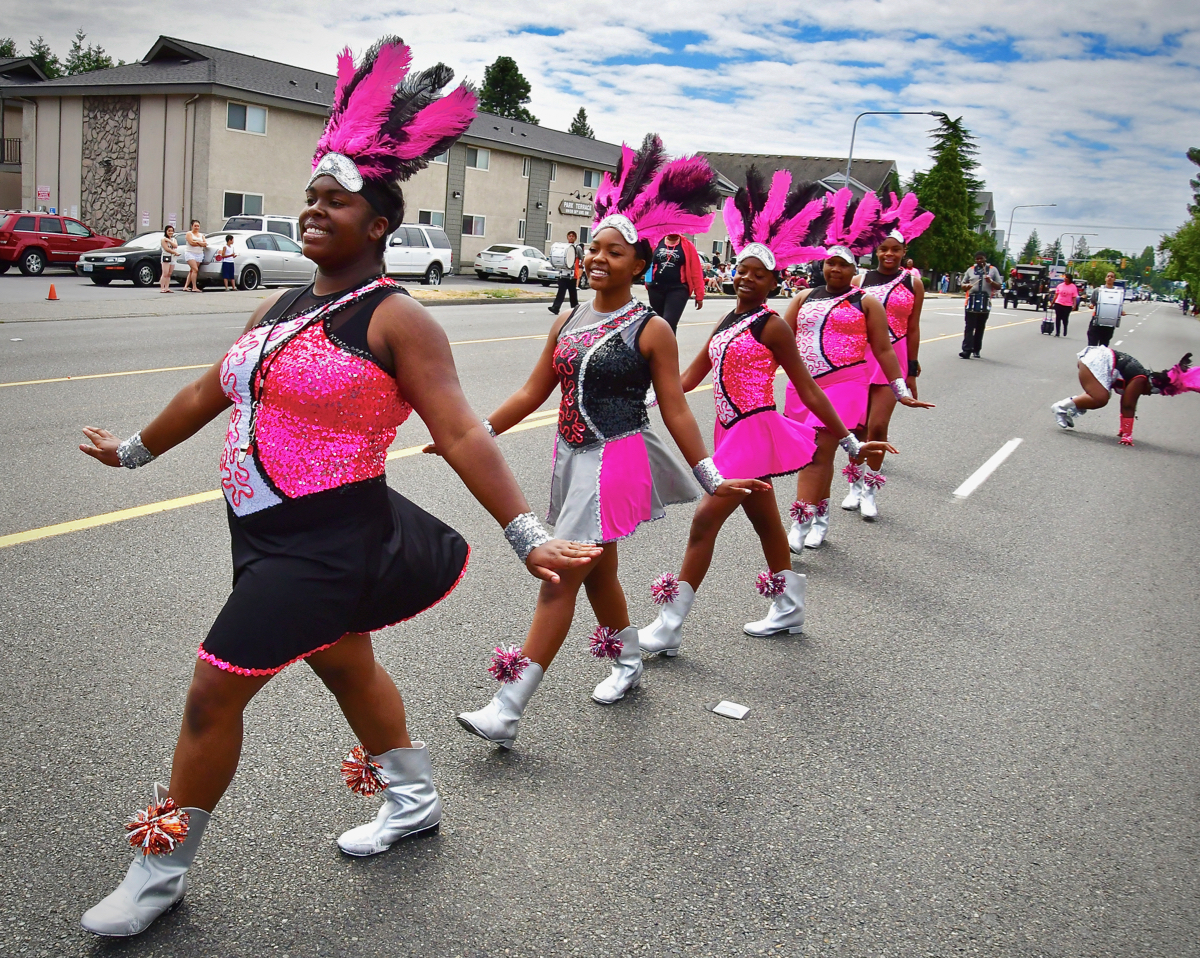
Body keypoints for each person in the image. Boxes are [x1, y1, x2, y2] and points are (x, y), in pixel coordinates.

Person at [75, 40, 594, 939]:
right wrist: (132, 452)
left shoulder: (399, 316)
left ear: (380, 223)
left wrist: (526, 533)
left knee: (213, 691)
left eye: (335, 199)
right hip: (261, 532)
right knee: (344, 661)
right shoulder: (280, 305)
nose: (314, 210)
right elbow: (212, 389)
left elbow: (462, 430)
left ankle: (157, 874)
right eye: (310, 196)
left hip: (330, 535)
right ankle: (415, 798)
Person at [452, 135, 763, 748]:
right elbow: (532, 392)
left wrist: (708, 476)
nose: (597, 258)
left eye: (613, 252)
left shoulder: (651, 328)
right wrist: (473, 434)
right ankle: (626, 662)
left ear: (639, 263)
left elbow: (673, 409)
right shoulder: (568, 321)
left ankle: (508, 707)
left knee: (560, 575)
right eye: (593, 248)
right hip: (569, 459)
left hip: (615, 457)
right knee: (597, 569)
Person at [637, 168, 896, 656]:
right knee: (766, 520)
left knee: (704, 520)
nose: (747, 277)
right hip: (727, 430)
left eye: (759, 273)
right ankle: (789, 606)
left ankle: (670, 625)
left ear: (776, 280)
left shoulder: (773, 326)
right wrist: (649, 397)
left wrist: (848, 441)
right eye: (742, 268)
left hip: (755, 432)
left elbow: (810, 391)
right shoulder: (730, 316)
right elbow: (691, 375)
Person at [849, 191, 936, 523]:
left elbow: (913, 328)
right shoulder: (860, 280)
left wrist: (911, 370)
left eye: (895, 249)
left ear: (904, 252)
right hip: (859, 358)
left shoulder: (913, 283)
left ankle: (871, 488)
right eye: (883, 248)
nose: (888, 254)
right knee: (855, 427)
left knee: (878, 425)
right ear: (877, 250)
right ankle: (855, 483)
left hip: (893, 358)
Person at [1051, 348, 1200, 445]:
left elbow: (1125, 403)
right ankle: (1061, 407)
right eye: (1151, 392)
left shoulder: (1140, 379)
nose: (1148, 394)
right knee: (1100, 398)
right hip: (1096, 360)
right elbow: (1129, 405)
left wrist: (1123, 429)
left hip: (1096, 360)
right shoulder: (1140, 380)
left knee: (1101, 395)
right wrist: (1127, 435)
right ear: (1153, 385)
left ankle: (1069, 409)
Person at [645, 231, 705, 330]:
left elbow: (696, 270)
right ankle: (660, 345)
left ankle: (668, 345)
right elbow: (647, 261)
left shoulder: (687, 245)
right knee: (658, 323)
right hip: (656, 289)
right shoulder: (656, 241)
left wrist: (699, 295)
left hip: (678, 289)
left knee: (669, 323)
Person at [959, 251, 1000, 358]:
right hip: (971, 301)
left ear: (985, 258)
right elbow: (963, 284)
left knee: (980, 327)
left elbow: (999, 286)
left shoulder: (992, 270)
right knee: (969, 327)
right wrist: (966, 286)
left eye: (981, 258)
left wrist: (991, 282)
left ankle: (976, 349)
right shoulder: (970, 270)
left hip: (985, 301)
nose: (979, 261)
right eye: (977, 259)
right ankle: (966, 350)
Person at [548, 229, 582, 314]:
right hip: (563, 274)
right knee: (561, 291)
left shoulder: (577, 248)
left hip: (572, 274)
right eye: (569, 236)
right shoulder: (564, 247)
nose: (571, 237)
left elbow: (581, 258)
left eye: (572, 236)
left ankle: (575, 308)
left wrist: (579, 269)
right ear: (567, 237)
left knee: (572, 293)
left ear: (575, 238)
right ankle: (555, 307)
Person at [1087, 272, 1125, 346]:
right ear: (1105, 278)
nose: (1110, 278)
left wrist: (1121, 312)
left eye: (1112, 277)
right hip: (1097, 321)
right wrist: (1091, 305)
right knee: (1092, 344)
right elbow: (1092, 302)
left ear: (1114, 279)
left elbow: (1118, 306)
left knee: (1104, 345)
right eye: (1108, 276)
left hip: (1109, 323)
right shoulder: (1098, 290)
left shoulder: (1118, 292)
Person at [182, 219, 207, 292]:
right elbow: (191, 243)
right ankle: (194, 287)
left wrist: (197, 242)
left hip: (199, 254)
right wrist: (200, 243)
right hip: (190, 253)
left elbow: (205, 244)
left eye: (198, 226)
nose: (196, 227)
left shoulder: (201, 235)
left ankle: (186, 286)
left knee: (192, 270)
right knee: (195, 269)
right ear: (192, 226)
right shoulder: (189, 233)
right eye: (195, 226)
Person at [1052, 273, 1080, 337]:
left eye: (1067, 278)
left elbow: (1074, 297)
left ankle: (1065, 330)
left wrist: (1074, 305)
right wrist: (1052, 302)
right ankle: (1057, 332)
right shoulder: (1060, 285)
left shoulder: (1073, 287)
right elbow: (1056, 294)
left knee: (1065, 318)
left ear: (1069, 279)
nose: (1065, 279)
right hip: (1059, 303)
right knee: (1058, 318)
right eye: (1065, 278)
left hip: (1067, 305)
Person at [159, 225, 179, 293]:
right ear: (166, 231)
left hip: (173, 258)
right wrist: (174, 252)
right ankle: (162, 288)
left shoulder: (173, 239)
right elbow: (166, 249)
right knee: (165, 273)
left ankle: (167, 287)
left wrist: (169, 241)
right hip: (166, 257)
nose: (170, 232)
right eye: (169, 231)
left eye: (172, 231)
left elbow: (175, 245)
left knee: (169, 273)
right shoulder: (163, 239)